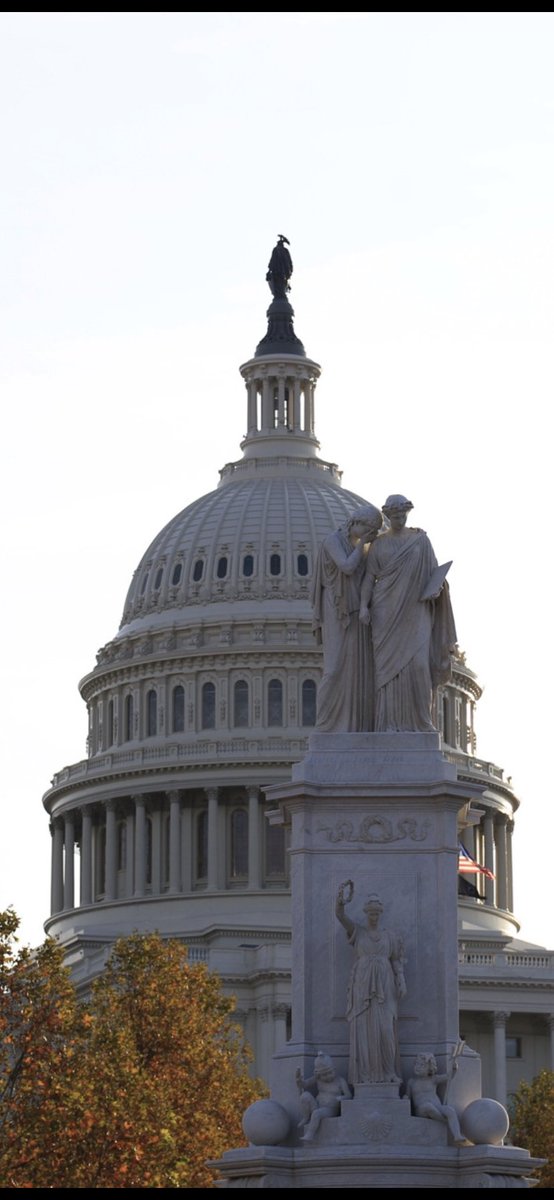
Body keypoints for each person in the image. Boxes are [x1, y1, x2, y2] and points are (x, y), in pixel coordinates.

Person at [359, 494, 457, 732]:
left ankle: (422, 723)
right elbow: (369, 578)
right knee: (386, 673)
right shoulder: (379, 544)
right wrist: (363, 606)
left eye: (403, 515)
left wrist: (437, 590)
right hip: (385, 612)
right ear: (387, 517)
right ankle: (388, 724)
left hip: (416, 609)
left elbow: (435, 574)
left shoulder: (420, 541)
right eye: (395, 516)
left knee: (419, 667)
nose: (399, 519)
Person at [311, 505, 383, 732]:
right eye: (367, 529)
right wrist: (363, 545)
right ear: (356, 523)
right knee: (333, 669)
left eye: (371, 532)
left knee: (354, 671)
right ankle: (325, 726)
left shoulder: (361, 546)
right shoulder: (332, 541)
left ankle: (352, 726)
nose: (367, 535)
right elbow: (347, 567)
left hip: (355, 613)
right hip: (336, 609)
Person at [335, 881, 406, 1086]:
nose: (373, 916)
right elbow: (340, 917)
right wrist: (340, 902)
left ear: (380, 913)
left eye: (376, 913)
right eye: (370, 913)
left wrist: (401, 979)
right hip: (363, 982)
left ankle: (389, 1071)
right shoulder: (358, 932)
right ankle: (365, 1075)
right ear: (366, 913)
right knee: (364, 1031)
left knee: (386, 1029)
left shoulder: (389, 936)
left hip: (385, 982)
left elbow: (396, 960)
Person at [406, 1052, 466, 1145]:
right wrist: (404, 1097)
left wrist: (454, 1069)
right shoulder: (412, 1082)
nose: (419, 1067)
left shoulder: (433, 1079)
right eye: (418, 1064)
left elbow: (448, 1076)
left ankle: (457, 1135)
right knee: (428, 1107)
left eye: (423, 1065)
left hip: (437, 1106)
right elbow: (408, 1097)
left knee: (449, 1110)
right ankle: (445, 1121)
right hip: (421, 1110)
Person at [295, 1052, 351, 1141]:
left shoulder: (340, 1081)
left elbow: (348, 1095)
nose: (327, 1076)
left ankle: (310, 1134)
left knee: (316, 1114)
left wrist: (341, 1098)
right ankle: (306, 1117)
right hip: (317, 1106)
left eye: (330, 1073)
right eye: (324, 1075)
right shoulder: (318, 1079)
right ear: (318, 1075)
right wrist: (299, 1080)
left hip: (331, 1109)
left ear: (334, 1070)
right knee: (305, 1096)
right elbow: (305, 1085)